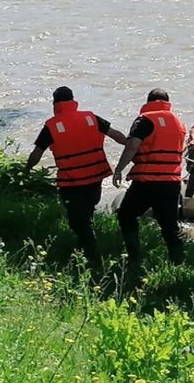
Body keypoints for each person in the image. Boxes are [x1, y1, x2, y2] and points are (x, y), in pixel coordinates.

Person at [25, 86, 127, 270]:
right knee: (86, 215)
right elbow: (116, 135)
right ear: (73, 100)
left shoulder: (52, 125)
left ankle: (92, 256)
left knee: (77, 221)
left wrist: (26, 169)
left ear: (55, 103)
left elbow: (36, 153)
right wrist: (132, 146)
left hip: (71, 181)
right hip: (95, 177)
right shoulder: (91, 118)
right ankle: (84, 249)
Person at [112, 89, 187, 267]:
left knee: (126, 215)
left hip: (147, 181)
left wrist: (119, 169)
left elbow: (132, 146)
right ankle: (178, 263)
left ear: (148, 101)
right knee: (170, 226)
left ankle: (134, 257)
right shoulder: (179, 122)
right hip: (171, 181)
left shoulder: (145, 119)